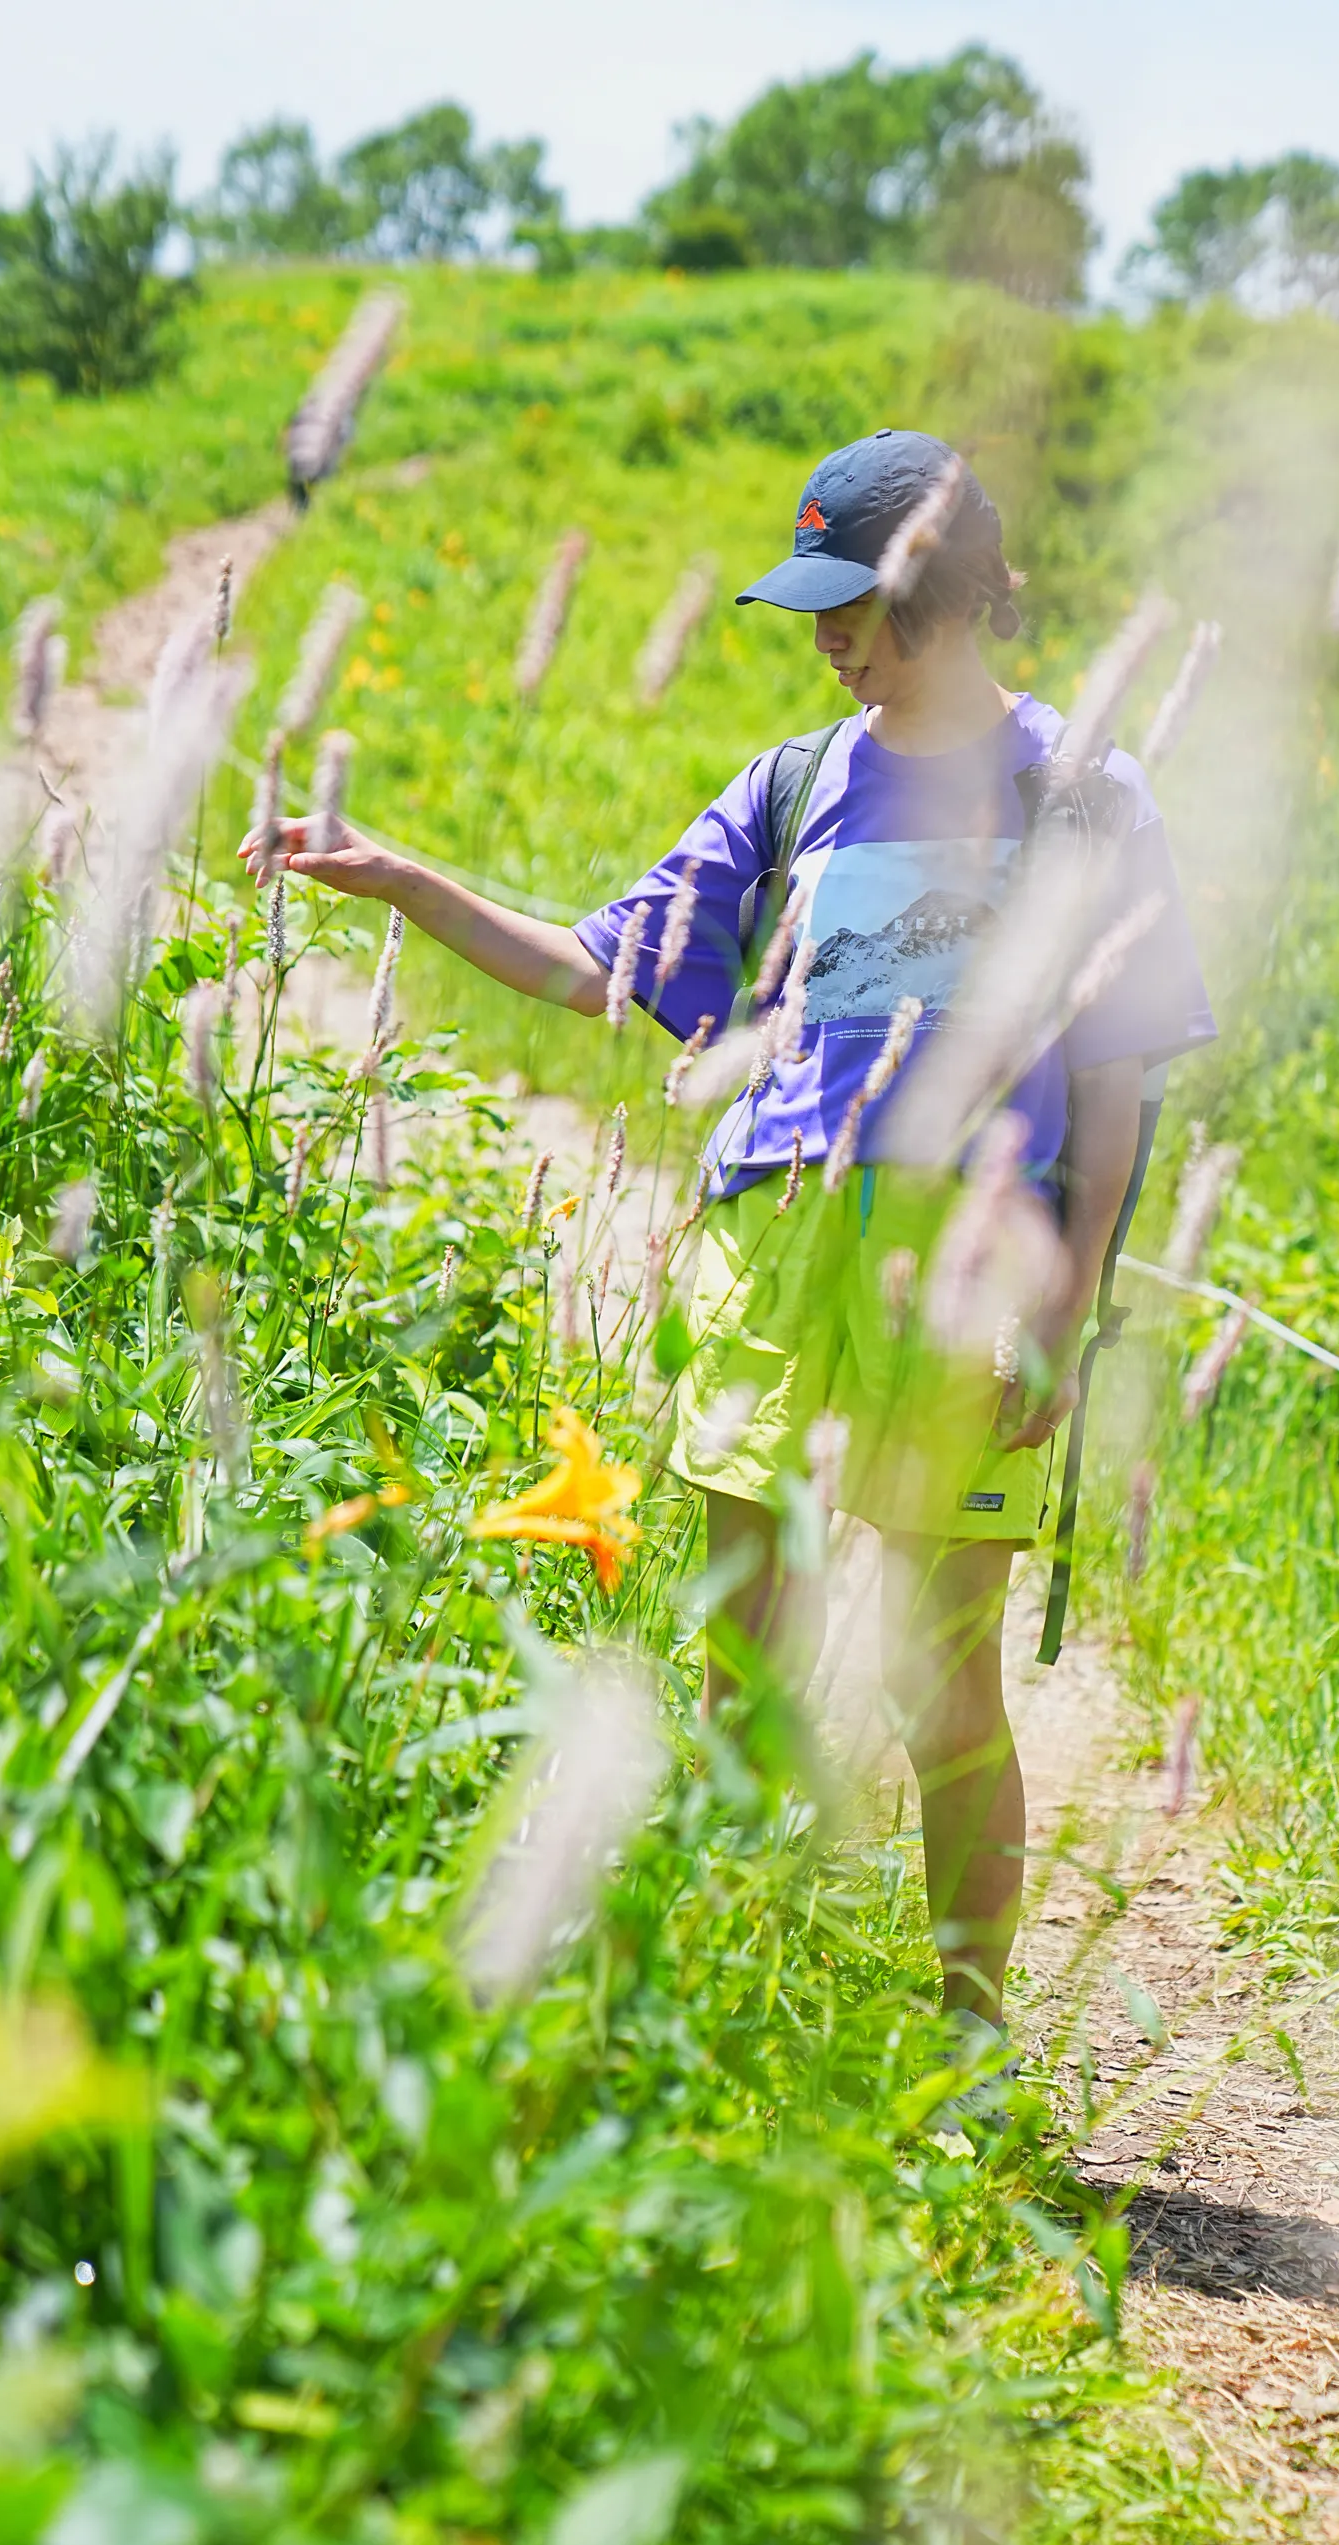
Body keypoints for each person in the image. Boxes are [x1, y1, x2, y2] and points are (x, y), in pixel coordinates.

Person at [242, 428, 1213, 2037]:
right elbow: (599, 966)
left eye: (856, 605)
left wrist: (1081, 1292)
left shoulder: (1084, 789)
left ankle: (968, 2049)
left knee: (939, 1679)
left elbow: (1113, 1087)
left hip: (976, 1280)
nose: (827, 637)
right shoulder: (797, 785)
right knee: (740, 1664)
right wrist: (404, 881)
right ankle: (734, 2016)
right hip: (774, 1260)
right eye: (814, 605)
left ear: (946, 590)